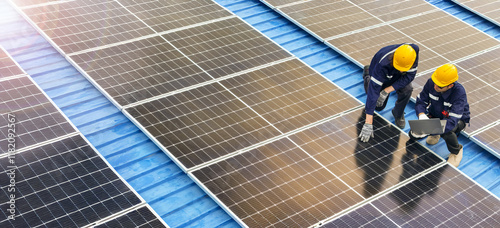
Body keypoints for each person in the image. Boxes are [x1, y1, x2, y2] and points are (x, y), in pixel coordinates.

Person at [411, 63, 470, 167]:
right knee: (413, 134)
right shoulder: (432, 82)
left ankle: (456, 151)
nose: (435, 87)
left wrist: (430, 128)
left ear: (450, 85)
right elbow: (421, 101)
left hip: (455, 120)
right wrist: (421, 115)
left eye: (440, 86)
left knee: (447, 132)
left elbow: (452, 122)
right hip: (436, 114)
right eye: (435, 83)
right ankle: (435, 133)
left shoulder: (459, 93)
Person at [359, 43, 419, 142]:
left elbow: (410, 76)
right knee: (378, 107)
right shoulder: (382, 64)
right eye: (399, 68)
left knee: (408, 89)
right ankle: (367, 76)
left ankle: (398, 113)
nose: (400, 70)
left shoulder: (412, 53)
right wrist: (368, 122)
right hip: (382, 74)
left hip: (397, 76)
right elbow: (373, 92)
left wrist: (387, 90)